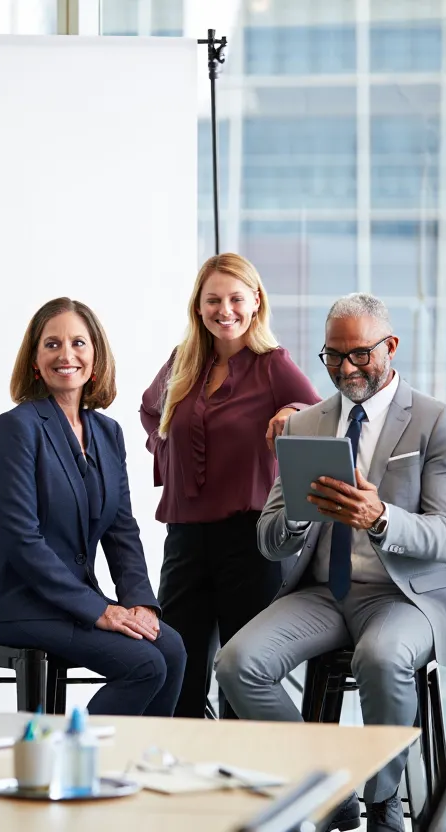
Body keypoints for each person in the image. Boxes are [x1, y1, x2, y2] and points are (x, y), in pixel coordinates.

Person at [216, 293, 446, 832]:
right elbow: (270, 538)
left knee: (379, 658)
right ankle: (325, 788)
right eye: (332, 356)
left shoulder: (437, 423)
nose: (345, 368)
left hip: (404, 596)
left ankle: (384, 803)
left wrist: (380, 516)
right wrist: (298, 520)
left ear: (390, 347)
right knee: (237, 664)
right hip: (322, 593)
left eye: (358, 354)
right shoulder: (305, 424)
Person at [0, 298, 185, 716]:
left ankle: (136, 769)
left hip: (74, 601)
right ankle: (71, 759)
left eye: (78, 343)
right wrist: (100, 610)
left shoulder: (108, 433)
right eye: (52, 344)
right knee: (144, 665)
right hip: (19, 602)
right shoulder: (16, 428)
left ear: (95, 356)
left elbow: (122, 531)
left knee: (172, 648)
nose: (66, 355)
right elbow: (22, 540)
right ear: (35, 360)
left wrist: (138, 601)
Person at [140, 253, 319, 718]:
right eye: (213, 299)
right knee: (177, 666)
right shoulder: (182, 362)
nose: (226, 310)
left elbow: (321, 418)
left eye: (236, 298)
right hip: (184, 539)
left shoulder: (272, 365)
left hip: (251, 541)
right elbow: (149, 411)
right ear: (198, 307)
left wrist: (291, 414)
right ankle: (182, 779)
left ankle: (244, 781)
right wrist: (170, 456)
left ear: (255, 302)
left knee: (240, 674)